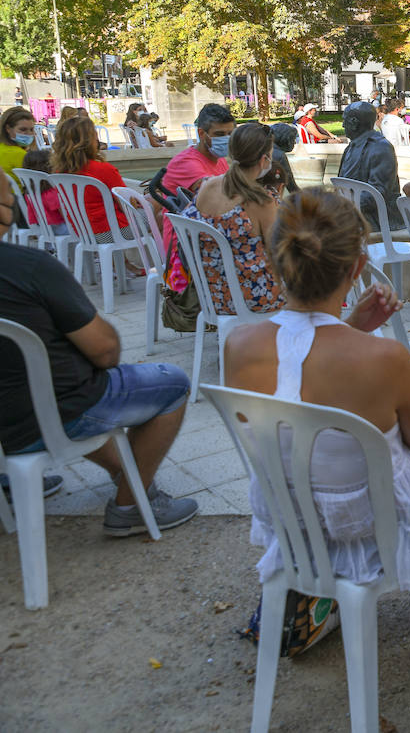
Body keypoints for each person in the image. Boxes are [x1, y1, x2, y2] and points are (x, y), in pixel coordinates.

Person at [224, 187, 410, 629]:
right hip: (369, 521)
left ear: (275, 257)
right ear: (357, 268)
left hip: (290, 513)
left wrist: (349, 328)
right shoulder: (384, 360)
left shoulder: (238, 346)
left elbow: (300, 379)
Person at [0, 173, 199, 535]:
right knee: (171, 383)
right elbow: (105, 351)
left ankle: (12, 479)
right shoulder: (28, 267)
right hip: (53, 412)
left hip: (8, 425)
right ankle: (130, 505)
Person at [183, 123, 287, 315]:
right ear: (265, 159)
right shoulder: (261, 201)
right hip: (254, 297)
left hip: (210, 294)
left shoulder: (207, 186)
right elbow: (280, 254)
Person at [158, 103, 235, 260]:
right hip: (185, 247)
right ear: (202, 133)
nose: (226, 139)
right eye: (219, 134)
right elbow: (219, 196)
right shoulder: (187, 163)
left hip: (206, 235)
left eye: (230, 134)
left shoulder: (219, 160)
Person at [51, 114, 132, 239]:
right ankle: (157, 257)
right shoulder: (104, 169)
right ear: (89, 142)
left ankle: (117, 259)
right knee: (159, 214)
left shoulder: (58, 173)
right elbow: (127, 205)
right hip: (113, 231)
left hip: (83, 233)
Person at [338, 100, 401, 231]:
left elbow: (378, 192)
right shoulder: (350, 148)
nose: (343, 125)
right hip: (353, 213)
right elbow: (340, 184)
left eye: (345, 120)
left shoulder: (381, 148)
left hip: (377, 219)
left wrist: (342, 206)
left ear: (354, 123)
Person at [21, 148, 67, 235]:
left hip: (45, 230)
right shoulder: (51, 193)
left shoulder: (29, 193)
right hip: (61, 230)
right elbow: (65, 215)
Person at [0, 105, 37, 183]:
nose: (29, 134)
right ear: (8, 129)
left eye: (31, 129)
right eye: (23, 129)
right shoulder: (20, 154)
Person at [268, 123, 301, 195]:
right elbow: (292, 187)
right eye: (293, 139)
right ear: (286, 138)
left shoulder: (266, 147)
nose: (294, 142)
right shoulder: (279, 155)